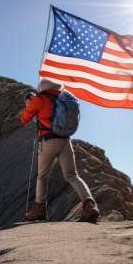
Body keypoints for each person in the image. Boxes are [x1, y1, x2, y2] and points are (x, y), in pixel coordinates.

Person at [21, 78, 100, 223]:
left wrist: (28, 104)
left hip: (48, 142)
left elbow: (24, 119)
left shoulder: (40, 99)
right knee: (72, 175)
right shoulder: (66, 99)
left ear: (42, 87)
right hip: (66, 142)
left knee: (42, 176)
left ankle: (40, 209)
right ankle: (89, 203)